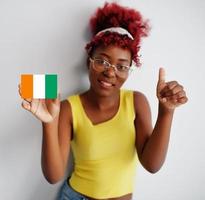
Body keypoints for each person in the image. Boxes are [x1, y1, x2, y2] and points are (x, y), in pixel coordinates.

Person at [18, 2, 188, 200]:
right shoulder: (68, 107)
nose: (110, 72)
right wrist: (48, 123)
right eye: (102, 61)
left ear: (130, 70)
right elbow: (53, 176)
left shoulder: (137, 102)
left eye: (121, 66)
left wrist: (166, 112)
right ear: (89, 60)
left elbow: (152, 165)